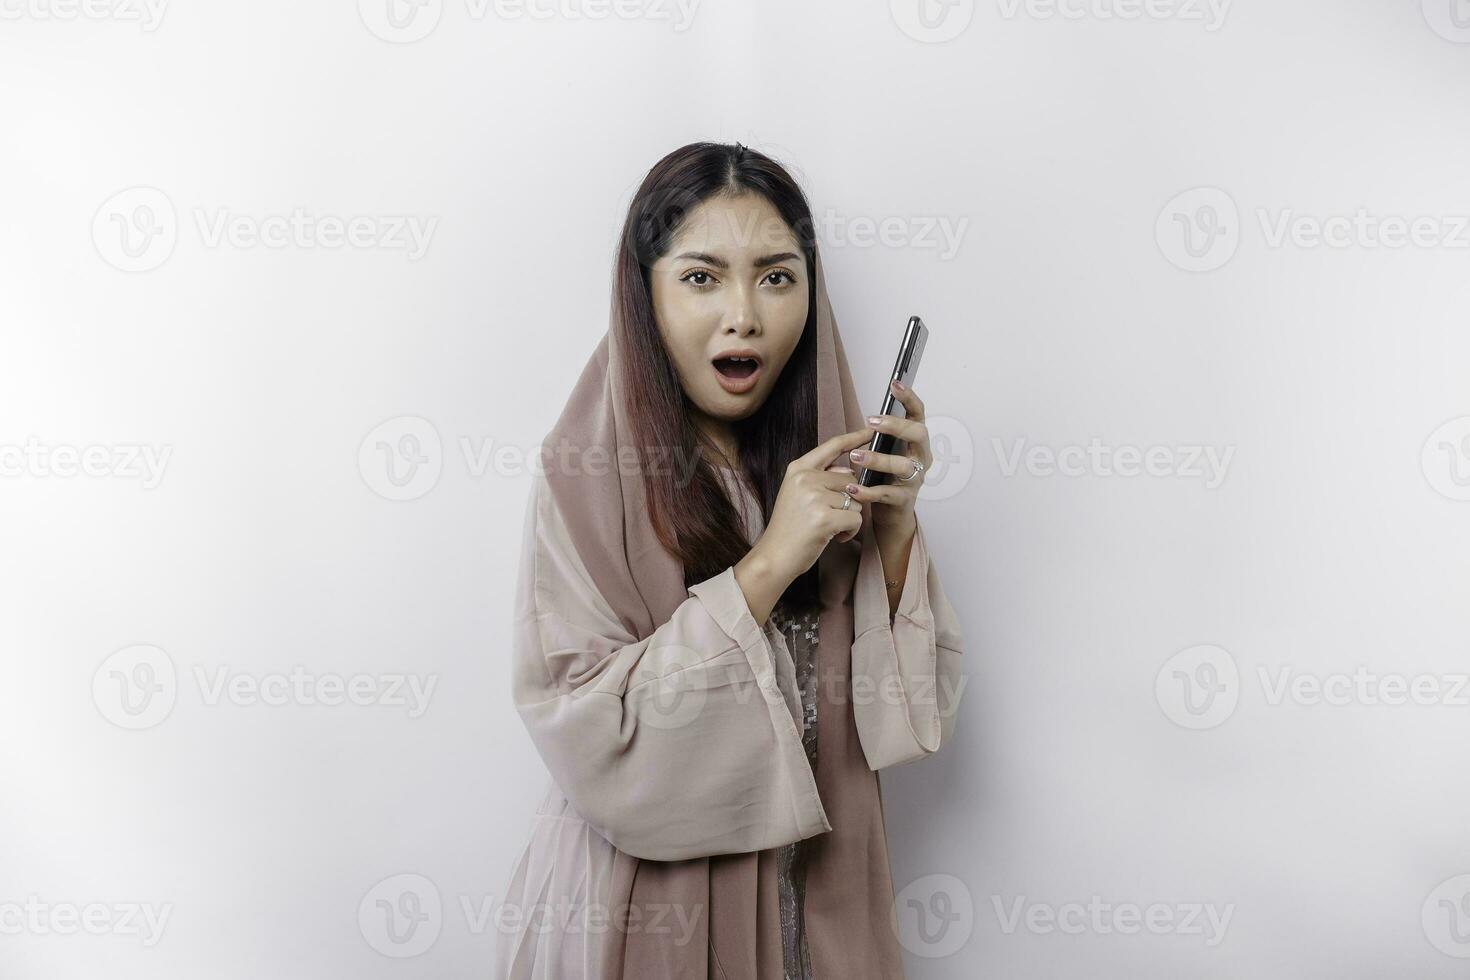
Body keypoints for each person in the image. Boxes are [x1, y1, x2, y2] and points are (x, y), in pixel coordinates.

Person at [493, 141, 964, 979]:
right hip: (642, 914)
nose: (743, 315)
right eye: (702, 277)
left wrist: (891, 536)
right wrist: (765, 567)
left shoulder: (820, 469)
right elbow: (587, 730)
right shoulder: (587, 473)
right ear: (645, 292)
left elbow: (896, 728)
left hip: (812, 906)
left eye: (776, 277)